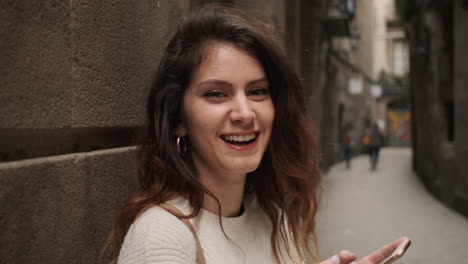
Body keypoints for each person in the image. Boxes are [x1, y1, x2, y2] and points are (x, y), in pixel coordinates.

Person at [102, 5, 408, 264]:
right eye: (217, 94)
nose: (245, 113)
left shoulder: (275, 220)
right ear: (178, 118)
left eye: (258, 91)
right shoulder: (162, 240)